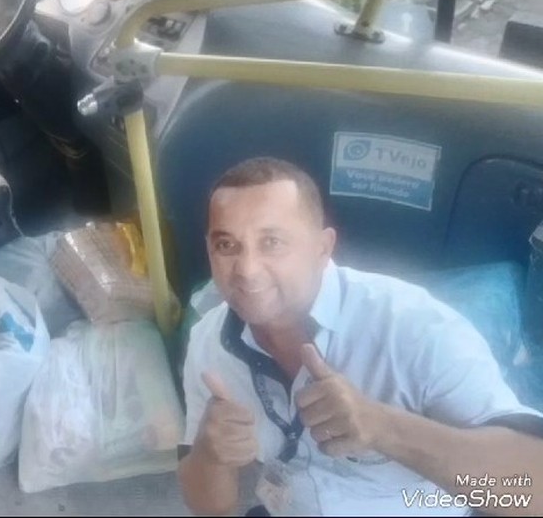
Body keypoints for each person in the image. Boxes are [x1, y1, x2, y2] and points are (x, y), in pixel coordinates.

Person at [177, 157, 543, 516]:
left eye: (271, 242)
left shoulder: (417, 331)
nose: (247, 270)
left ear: (322, 248)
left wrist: (382, 427)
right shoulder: (209, 344)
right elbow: (208, 507)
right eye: (226, 245)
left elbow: (532, 492)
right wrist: (210, 455)